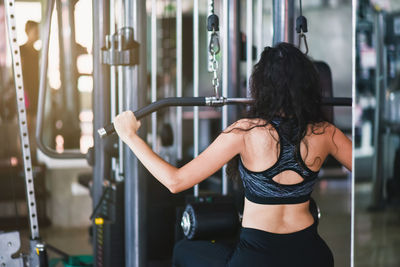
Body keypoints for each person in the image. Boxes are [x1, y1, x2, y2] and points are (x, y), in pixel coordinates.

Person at [113, 42, 352, 267]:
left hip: (257, 258)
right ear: (308, 86)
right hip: (311, 255)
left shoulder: (245, 132)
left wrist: (130, 136)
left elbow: (175, 182)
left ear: (261, 87)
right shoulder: (325, 133)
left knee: (183, 250)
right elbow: (366, 171)